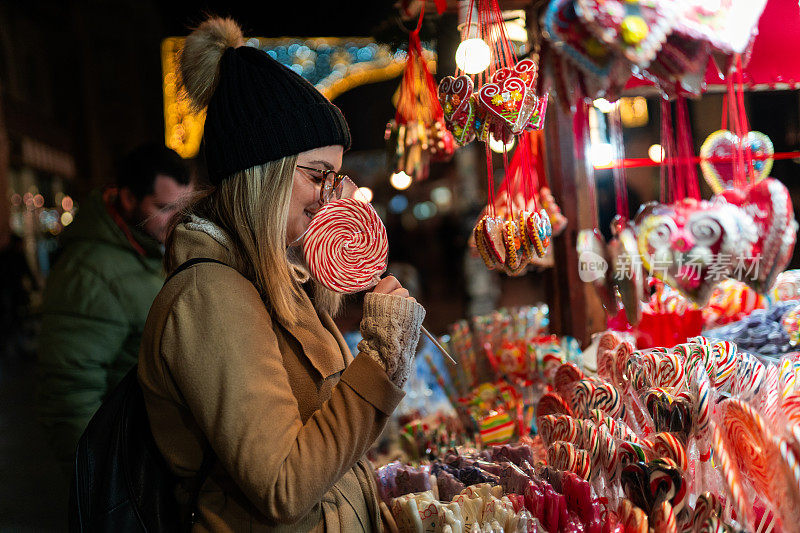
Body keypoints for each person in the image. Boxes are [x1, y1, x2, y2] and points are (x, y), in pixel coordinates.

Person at [137, 17, 425, 531]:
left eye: (335, 178)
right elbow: (282, 486)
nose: (329, 198)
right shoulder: (210, 296)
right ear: (264, 176)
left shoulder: (272, 281)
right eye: (317, 176)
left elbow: (329, 437)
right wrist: (381, 356)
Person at [36, 143, 192, 474]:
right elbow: (70, 392)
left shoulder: (148, 250)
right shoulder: (88, 272)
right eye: (164, 208)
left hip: (154, 451)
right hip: (126, 463)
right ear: (128, 198)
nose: (177, 220)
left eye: (183, 207)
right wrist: (104, 480)